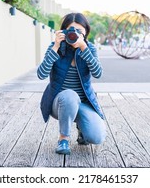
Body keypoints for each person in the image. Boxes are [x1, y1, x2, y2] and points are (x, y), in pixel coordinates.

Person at [37, 12, 106, 155]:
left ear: (85, 32)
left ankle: (82, 129)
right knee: (70, 96)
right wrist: (56, 46)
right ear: (63, 31)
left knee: (96, 137)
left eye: (79, 31)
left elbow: (98, 74)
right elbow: (41, 74)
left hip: (83, 103)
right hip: (60, 103)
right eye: (71, 30)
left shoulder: (89, 48)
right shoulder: (55, 47)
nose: (74, 34)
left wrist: (83, 48)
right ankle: (63, 139)